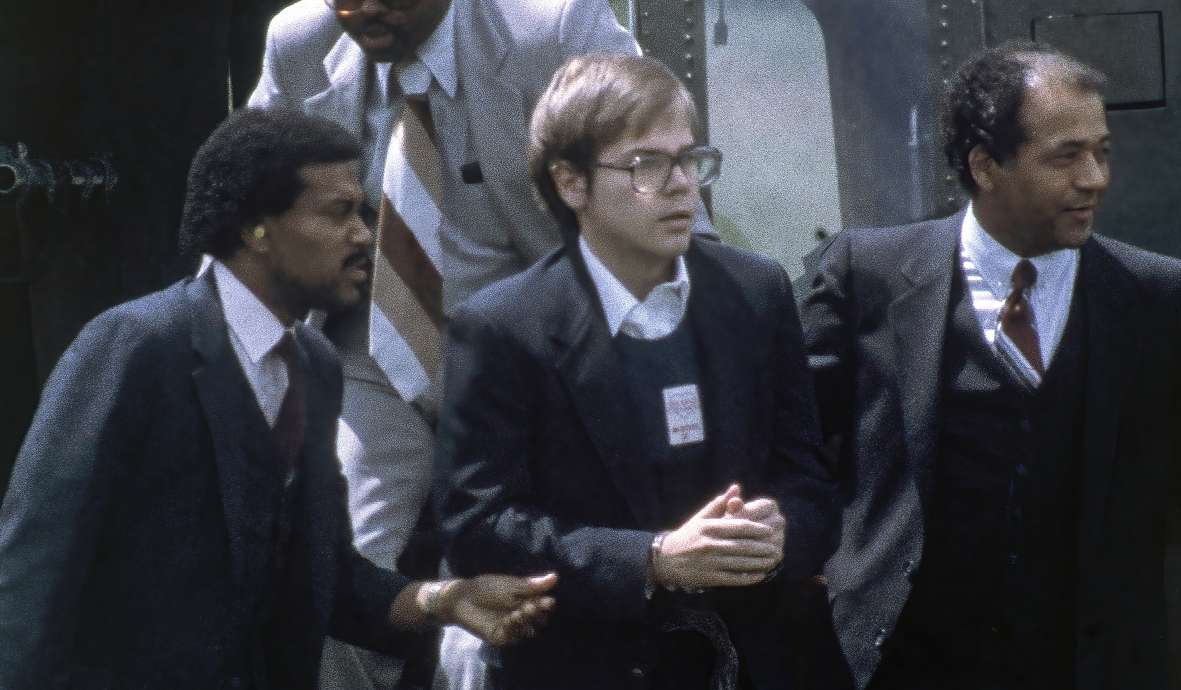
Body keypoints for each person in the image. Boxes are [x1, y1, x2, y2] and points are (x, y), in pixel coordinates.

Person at [0, 108, 556, 690]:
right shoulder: (138, 346)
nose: (364, 236)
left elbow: (326, 577)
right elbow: (35, 570)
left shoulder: (314, 366)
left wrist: (447, 600)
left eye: (362, 213)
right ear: (255, 229)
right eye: (339, 212)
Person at [801, 41, 1181, 690]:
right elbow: (794, 449)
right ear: (985, 165)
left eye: (1102, 152)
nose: (1095, 178)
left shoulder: (1157, 296)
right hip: (904, 669)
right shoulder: (869, 277)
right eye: (1066, 156)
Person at [246, 4, 646, 685]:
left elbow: (659, 193)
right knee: (326, 570)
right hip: (372, 353)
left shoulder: (555, 29)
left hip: (536, 367)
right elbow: (244, 214)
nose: (363, 9)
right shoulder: (301, 41)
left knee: (502, 616)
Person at [435, 53, 838, 690]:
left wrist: (782, 530)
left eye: (690, 159)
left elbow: (810, 479)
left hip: (761, 661)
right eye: (647, 165)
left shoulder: (757, 292)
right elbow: (478, 528)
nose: (682, 186)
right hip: (596, 666)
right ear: (571, 183)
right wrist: (653, 561)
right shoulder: (502, 327)